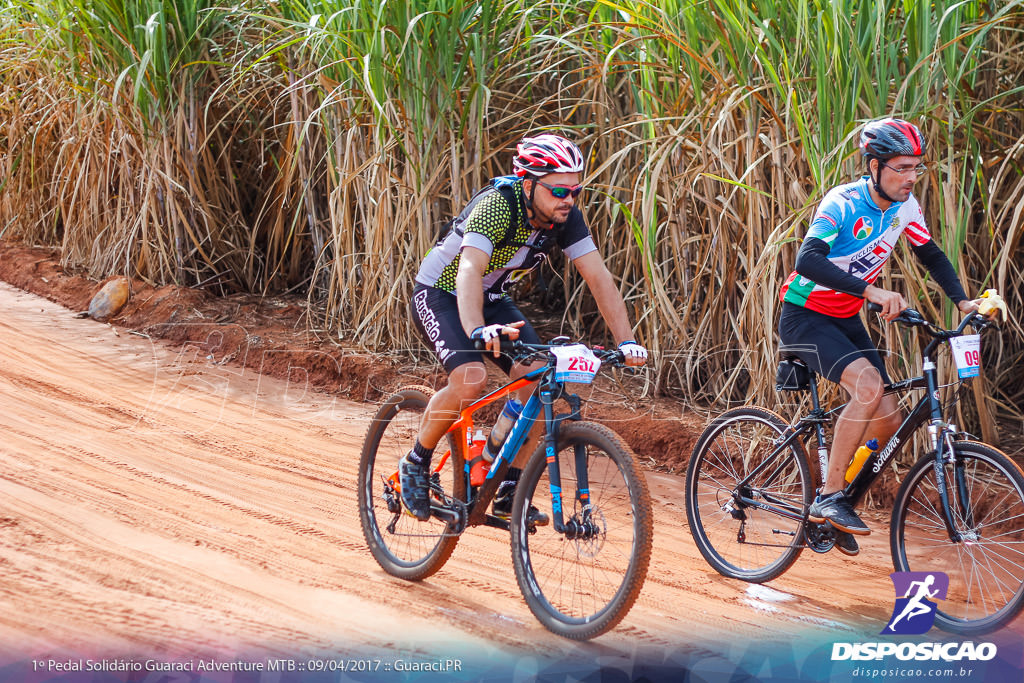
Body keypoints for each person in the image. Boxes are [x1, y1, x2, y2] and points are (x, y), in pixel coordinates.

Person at [402, 133, 648, 522]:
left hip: (493, 299)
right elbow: (469, 270)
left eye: (575, 190)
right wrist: (476, 329)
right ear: (529, 183)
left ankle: (506, 484)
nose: (568, 199)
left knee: (537, 377)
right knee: (470, 378)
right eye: (559, 190)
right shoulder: (497, 206)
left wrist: (627, 341)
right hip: (443, 294)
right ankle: (416, 462)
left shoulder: (564, 217)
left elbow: (599, 279)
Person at [778, 117, 979, 556]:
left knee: (889, 420)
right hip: (804, 315)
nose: (911, 178)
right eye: (901, 168)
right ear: (874, 165)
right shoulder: (843, 202)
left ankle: (846, 496)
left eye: (916, 168)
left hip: (846, 316)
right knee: (868, 388)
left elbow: (930, 254)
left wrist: (964, 302)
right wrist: (872, 291)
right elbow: (808, 260)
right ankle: (829, 497)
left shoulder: (905, 207)